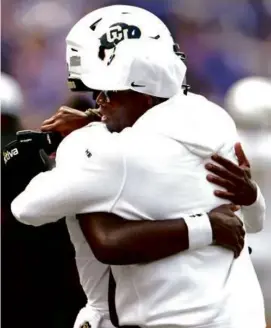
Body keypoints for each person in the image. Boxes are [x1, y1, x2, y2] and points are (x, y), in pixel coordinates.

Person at [11, 5, 266, 328]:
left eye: (108, 92)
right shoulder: (214, 120)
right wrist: (249, 198)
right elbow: (254, 222)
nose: (98, 101)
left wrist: (82, 136)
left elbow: (27, 208)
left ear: (144, 92)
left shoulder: (109, 153)